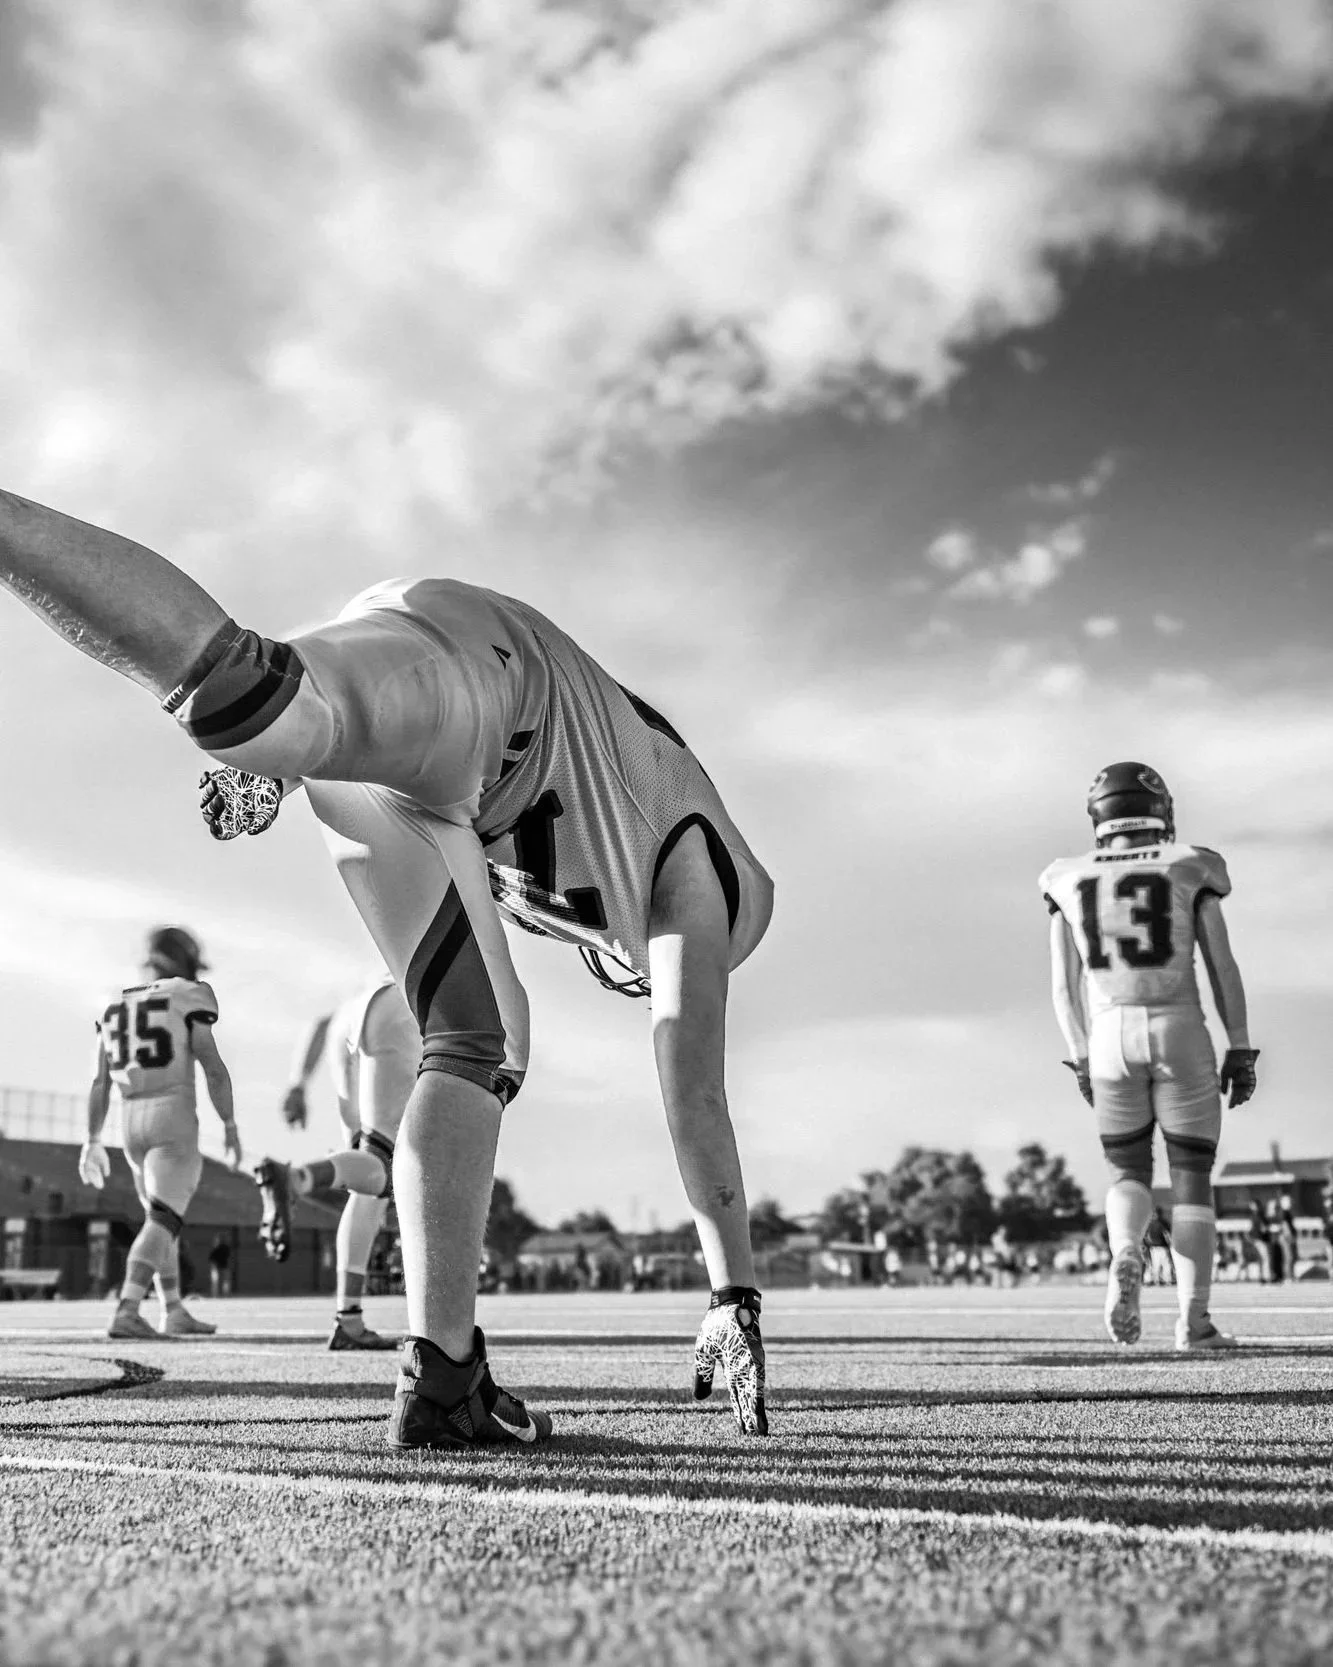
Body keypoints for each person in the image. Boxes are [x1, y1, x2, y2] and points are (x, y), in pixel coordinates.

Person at [0, 489, 773, 1445]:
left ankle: (444, 1374)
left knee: (480, 1041)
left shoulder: (622, 840)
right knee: (263, 699)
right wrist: (732, 1290)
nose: (630, 973)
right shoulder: (704, 889)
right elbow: (692, 1092)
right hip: (498, 684)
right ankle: (273, 728)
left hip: (445, 761)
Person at [1041, 762, 1259, 1351]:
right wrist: (1239, 1045)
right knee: (1191, 1178)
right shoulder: (1190, 863)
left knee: (1127, 1171)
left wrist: (1080, 1055)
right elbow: (1223, 967)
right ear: (1159, 810)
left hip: (1109, 1036)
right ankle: (1194, 1321)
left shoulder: (1066, 876)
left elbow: (1063, 985)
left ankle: (1123, 1254)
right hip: (1179, 1026)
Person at [81, 926, 243, 1338]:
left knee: (161, 1219)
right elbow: (212, 1065)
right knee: (163, 1220)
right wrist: (229, 1123)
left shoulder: (111, 1003)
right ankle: (127, 1307)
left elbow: (99, 1082)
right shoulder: (189, 994)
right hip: (171, 1114)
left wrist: (92, 1139)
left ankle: (172, 1308)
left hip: (127, 1120)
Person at [258, 976, 419, 1351]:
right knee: (386, 1169)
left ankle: (348, 1319)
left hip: (351, 1019)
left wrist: (298, 1083)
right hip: (398, 1009)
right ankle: (297, 1180)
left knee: (366, 1180)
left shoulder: (366, 978)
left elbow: (322, 1024)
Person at [207, 1233, 233, 1299]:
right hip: (216, 1266)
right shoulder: (215, 1249)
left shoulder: (225, 1248)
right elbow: (211, 1259)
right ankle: (215, 1295)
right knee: (215, 1281)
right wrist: (213, 1266)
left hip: (224, 1266)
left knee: (225, 1281)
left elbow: (228, 1258)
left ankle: (225, 1295)